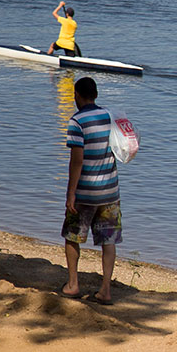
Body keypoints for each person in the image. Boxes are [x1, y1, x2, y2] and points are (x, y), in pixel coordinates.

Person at [61, 76, 120, 305]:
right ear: (95, 94)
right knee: (108, 240)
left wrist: (71, 193)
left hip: (86, 191)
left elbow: (77, 161)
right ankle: (105, 290)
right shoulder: (109, 116)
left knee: (72, 237)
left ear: (77, 95)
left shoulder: (76, 122)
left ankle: (73, 285)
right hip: (110, 191)